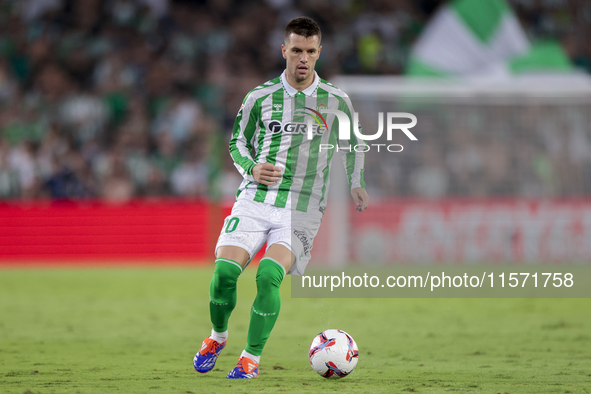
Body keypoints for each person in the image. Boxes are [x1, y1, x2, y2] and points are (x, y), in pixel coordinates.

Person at [193, 16, 369, 379]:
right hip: (256, 199)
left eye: (309, 51)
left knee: (268, 275)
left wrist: (356, 182)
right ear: (284, 50)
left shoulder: (336, 100)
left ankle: (250, 358)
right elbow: (236, 142)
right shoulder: (259, 97)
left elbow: (353, 145)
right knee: (225, 272)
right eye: (296, 50)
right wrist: (252, 168)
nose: (302, 58)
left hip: (301, 208)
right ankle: (217, 337)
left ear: (319, 53)